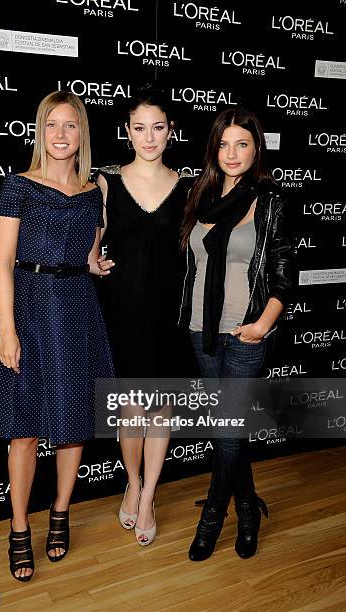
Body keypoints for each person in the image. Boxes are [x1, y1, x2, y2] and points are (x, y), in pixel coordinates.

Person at [0, 90, 113, 581]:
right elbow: (3, 266)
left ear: (82, 134)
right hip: (30, 310)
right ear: (40, 130)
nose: (60, 134)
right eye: (52, 124)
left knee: (75, 425)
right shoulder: (18, 187)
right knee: (25, 429)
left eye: (70, 125)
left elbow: (90, 254)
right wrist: (7, 331)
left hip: (77, 308)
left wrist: (96, 264)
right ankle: (18, 528)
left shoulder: (97, 191)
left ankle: (60, 512)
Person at [178, 107, 292, 561]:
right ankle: (247, 507)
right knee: (230, 430)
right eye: (223, 143)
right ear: (214, 149)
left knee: (227, 430)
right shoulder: (199, 195)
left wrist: (264, 324)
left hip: (245, 333)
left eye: (241, 143)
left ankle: (212, 518)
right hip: (200, 331)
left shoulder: (269, 202)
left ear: (256, 149)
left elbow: (284, 273)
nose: (232, 153)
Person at [96, 84, 193, 546]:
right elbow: (92, 247)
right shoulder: (106, 182)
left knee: (160, 411)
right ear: (127, 131)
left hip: (170, 315)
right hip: (122, 314)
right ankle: (132, 482)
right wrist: (92, 259)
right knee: (130, 413)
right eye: (140, 128)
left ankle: (149, 494)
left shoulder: (190, 189)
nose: (149, 137)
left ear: (171, 131)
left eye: (158, 127)